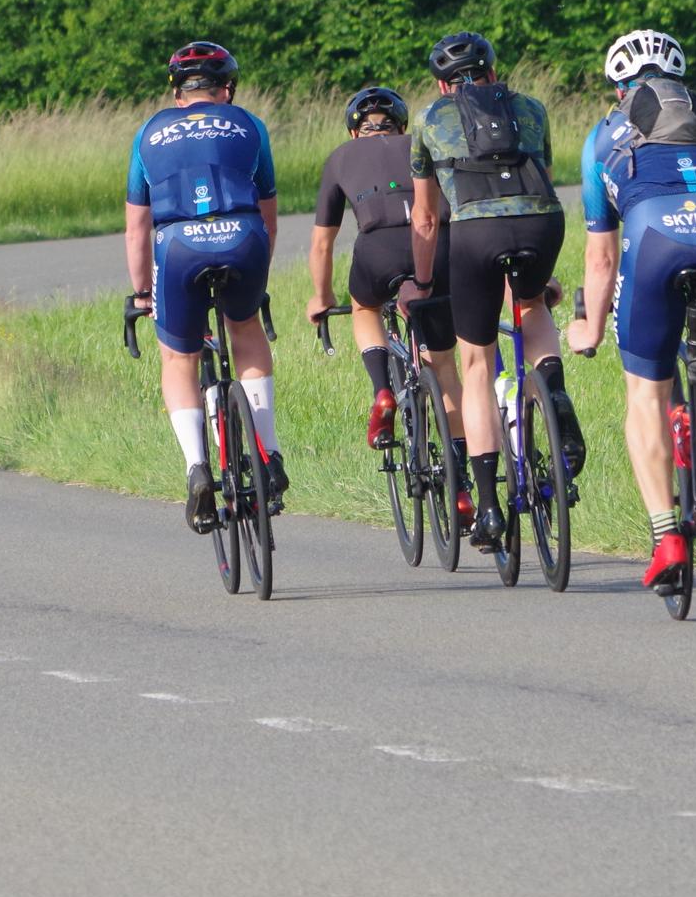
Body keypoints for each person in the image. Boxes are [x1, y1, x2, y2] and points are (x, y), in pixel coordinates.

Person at [565, 30, 696, 594]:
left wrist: (589, 327)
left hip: (654, 240)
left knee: (645, 395)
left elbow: (602, 256)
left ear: (618, 87)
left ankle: (667, 538)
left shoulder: (601, 138)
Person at [402, 31, 582, 552]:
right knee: (532, 305)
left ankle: (487, 508)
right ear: (494, 73)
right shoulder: (532, 109)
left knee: (477, 363)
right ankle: (554, 394)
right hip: (542, 225)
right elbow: (542, 182)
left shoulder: (430, 119)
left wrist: (423, 282)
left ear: (442, 84)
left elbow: (426, 218)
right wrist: (545, 271)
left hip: (475, 234)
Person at [123, 42, 285, 533]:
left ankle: (197, 467)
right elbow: (269, 215)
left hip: (177, 246)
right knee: (245, 326)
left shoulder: (149, 132)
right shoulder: (250, 124)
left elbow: (137, 228)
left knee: (179, 358)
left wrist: (142, 293)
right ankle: (269, 453)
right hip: (243, 236)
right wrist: (257, 277)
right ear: (227, 89)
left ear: (177, 94)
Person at [306, 86, 461, 451]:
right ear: (401, 126)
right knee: (444, 367)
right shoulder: (424, 145)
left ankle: (382, 391)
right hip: (437, 244)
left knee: (365, 307)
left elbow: (322, 243)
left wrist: (322, 296)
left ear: (353, 131)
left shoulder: (341, 156)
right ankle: (460, 469)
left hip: (379, 249)